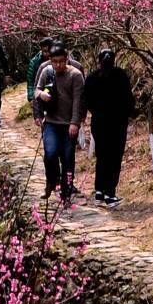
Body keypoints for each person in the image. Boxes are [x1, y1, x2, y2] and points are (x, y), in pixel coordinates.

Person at [31, 44, 86, 203]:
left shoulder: (75, 75)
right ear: (50, 60)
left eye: (61, 61)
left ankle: (66, 192)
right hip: (51, 122)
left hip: (69, 123)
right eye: (55, 62)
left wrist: (75, 123)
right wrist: (41, 95)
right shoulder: (46, 72)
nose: (58, 65)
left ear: (66, 59)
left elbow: (78, 100)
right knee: (50, 153)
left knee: (68, 158)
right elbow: (36, 90)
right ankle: (51, 181)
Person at [84, 47, 135, 206]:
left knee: (102, 156)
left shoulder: (92, 77)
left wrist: (97, 112)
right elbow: (128, 99)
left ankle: (99, 191)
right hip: (117, 123)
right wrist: (131, 113)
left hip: (99, 122)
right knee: (114, 157)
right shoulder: (120, 75)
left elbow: (87, 100)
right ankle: (109, 193)